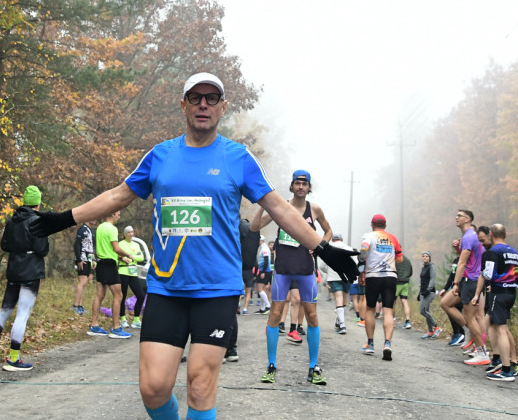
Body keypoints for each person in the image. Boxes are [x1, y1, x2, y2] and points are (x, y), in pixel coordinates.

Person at [60, 73, 357, 419]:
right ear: (183, 104)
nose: (203, 104)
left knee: (200, 386)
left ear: (223, 107)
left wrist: (323, 247)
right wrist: (62, 219)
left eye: (212, 98)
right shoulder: (160, 156)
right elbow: (117, 196)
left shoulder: (237, 157)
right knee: (153, 389)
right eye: (196, 97)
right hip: (167, 288)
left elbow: (278, 207)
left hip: (216, 290)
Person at [252, 169, 337, 387]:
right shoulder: (281, 206)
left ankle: (314, 368)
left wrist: (320, 247)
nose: (300, 186)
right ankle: (271, 366)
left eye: (304, 183)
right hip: (282, 269)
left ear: (309, 187)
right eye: (297, 183)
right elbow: (254, 227)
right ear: (292, 186)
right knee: (275, 315)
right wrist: (263, 204)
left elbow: (328, 231)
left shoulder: (314, 209)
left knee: (312, 316)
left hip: (306, 270)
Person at [0, 185, 76, 371]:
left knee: (5, 309)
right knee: (22, 313)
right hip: (31, 271)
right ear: (38, 203)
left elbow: (4, 245)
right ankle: (13, 359)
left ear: (24, 202)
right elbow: (42, 250)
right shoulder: (37, 222)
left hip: (13, 270)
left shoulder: (11, 221)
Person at [472, 224, 518, 381]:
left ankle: (506, 370)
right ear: (505, 234)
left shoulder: (493, 252)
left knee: (501, 330)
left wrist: (478, 292)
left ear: (491, 234)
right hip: (511, 293)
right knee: (494, 325)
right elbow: (517, 274)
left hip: (498, 293)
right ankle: (498, 360)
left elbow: (487, 274)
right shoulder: (514, 252)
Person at [359, 213, 403, 361]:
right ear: (385, 226)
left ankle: (370, 344)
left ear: (372, 224)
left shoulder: (369, 235)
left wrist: (362, 258)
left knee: (370, 309)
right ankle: (387, 344)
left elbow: (364, 248)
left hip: (373, 276)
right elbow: (400, 258)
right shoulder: (393, 238)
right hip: (390, 276)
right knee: (388, 310)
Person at [88, 210, 133, 338]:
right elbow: (116, 248)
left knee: (99, 295)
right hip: (109, 265)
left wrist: (120, 258)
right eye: (118, 212)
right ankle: (116, 328)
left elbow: (106, 248)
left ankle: (94, 325)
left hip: (101, 263)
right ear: (112, 214)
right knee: (118, 295)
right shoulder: (112, 229)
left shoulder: (100, 227)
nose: (119, 214)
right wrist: (127, 254)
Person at [452, 211, 488, 366]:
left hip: (471, 280)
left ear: (467, 219)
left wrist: (455, 283)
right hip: (472, 280)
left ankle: (482, 352)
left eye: (459, 215)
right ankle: (477, 345)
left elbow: (462, 262)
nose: (456, 217)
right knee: (468, 316)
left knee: (471, 317)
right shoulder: (471, 236)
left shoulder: (468, 236)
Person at [322, 233, 354, 334]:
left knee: (339, 299)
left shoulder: (328, 249)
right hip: (347, 277)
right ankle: (341, 322)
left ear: (332, 240)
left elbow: (322, 265)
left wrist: (329, 272)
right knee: (344, 299)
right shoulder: (348, 248)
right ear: (342, 239)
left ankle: (342, 324)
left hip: (334, 277)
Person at [118, 225, 149, 330]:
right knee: (122, 296)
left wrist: (130, 256)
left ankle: (136, 320)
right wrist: (125, 257)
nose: (131, 234)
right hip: (123, 271)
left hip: (133, 272)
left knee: (140, 295)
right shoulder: (121, 244)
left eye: (132, 232)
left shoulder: (136, 244)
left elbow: (141, 257)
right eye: (128, 232)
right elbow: (118, 256)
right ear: (124, 234)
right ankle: (122, 319)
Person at [438, 238, 466, 345]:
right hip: (453, 288)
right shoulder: (456, 260)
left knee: (454, 310)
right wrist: (445, 288)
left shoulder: (465, 259)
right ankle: (458, 333)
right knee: (451, 310)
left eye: (458, 246)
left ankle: (461, 333)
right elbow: (451, 276)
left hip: (461, 288)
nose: (455, 248)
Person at [72, 219, 96, 315]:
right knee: (82, 281)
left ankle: (80, 305)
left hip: (89, 258)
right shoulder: (82, 229)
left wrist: (93, 259)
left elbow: (91, 246)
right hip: (82, 258)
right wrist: (79, 260)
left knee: (85, 282)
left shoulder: (91, 230)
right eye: (93, 217)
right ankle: (75, 305)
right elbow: (77, 244)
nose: (95, 220)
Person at [238, 218, 259, 315]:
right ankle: (245, 308)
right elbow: (255, 262)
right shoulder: (252, 248)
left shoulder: (241, 245)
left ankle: (238, 305)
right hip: (249, 271)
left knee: (241, 290)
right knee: (248, 292)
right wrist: (256, 274)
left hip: (241, 270)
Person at [418, 251, 441, 339]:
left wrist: (428, 289)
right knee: (426, 310)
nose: (425, 257)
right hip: (422, 292)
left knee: (423, 311)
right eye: (423, 256)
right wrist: (419, 292)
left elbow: (432, 279)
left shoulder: (432, 266)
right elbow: (422, 281)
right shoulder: (424, 267)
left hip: (430, 292)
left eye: (427, 256)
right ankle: (431, 331)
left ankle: (437, 327)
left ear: (429, 258)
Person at [394, 251, 414, 329]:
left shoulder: (394, 259)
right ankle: (407, 321)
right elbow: (411, 272)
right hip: (405, 283)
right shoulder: (407, 260)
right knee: (404, 301)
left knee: (392, 302)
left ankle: (391, 320)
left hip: (397, 283)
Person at [253, 237, 272, 314]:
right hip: (263, 270)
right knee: (262, 290)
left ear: (260, 240)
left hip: (264, 271)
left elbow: (266, 260)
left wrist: (263, 271)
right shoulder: (263, 247)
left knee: (259, 289)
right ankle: (263, 308)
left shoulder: (264, 248)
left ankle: (268, 306)